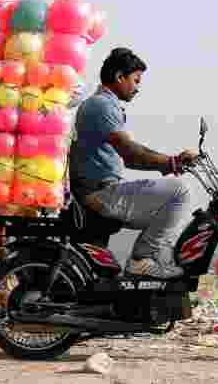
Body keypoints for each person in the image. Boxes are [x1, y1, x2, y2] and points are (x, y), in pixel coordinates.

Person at [68, 47, 199, 279]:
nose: (137, 88)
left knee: (168, 208)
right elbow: (130, 154)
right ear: (119, 77)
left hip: (97, 190)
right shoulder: (102, 105)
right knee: (180, 192)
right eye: (135, 80)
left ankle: (154, 259)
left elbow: (135, 152)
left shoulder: (101, 105)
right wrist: (171, 163)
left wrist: (169, 162)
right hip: (99, 193)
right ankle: (143, 259)